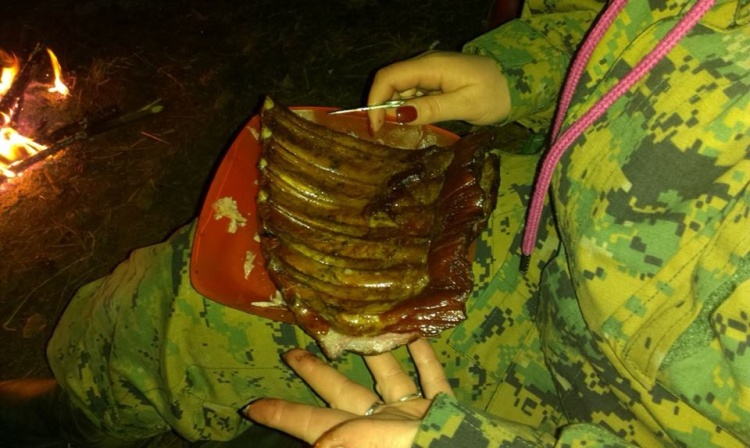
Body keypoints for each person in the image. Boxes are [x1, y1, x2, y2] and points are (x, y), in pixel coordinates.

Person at [1, 0, 747, 447]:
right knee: (185, 302)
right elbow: (647, 24)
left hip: (591, 412)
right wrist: (534, 71)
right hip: (546, 220)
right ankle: (79, 410)